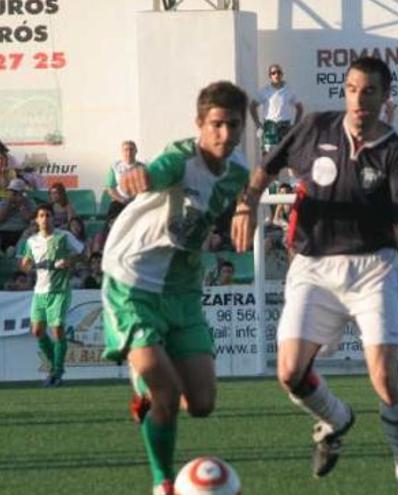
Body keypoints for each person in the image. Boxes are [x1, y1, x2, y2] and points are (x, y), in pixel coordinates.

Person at [231, 56, 398, 494]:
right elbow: (267, 165)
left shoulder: (395, 154)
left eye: (370, 92)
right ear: (345, 91)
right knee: (288, 372)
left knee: (384, 377)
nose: (360, 99)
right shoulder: (316, 129)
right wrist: (248, 201)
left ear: (384, 97)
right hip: (313, 266)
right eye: (353, 89)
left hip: (372, 268)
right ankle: (334, 419)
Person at [101, 81, 251, 495]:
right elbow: (156, 171)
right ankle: (162, 482)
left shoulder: (237, 169)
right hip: (132, 280)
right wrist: (138, 175)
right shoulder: (181, 159)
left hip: (183, 288)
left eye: (233, 125)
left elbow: (245, 186)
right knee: (165, 394)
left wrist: (245, 206)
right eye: (216, 125)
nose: (224, 134)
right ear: (199, 125)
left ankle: (149, 388)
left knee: (200, 404)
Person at [20, 204, 85, 387]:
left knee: (57, 330)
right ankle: (54, 368)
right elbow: (24, 263)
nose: (45, 218)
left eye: (48, 215)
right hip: (39, 292)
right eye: (41, 215)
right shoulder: (32, 241)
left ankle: (57, 372)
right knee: (37, 331)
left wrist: (68, 261)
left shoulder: (64, 236)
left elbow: (83, 253)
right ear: (36, 219)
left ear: (53, 218)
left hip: (60, 291)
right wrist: (28, 266)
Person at [250, 64, 303, 155]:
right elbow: (252, 106)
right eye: (273, 73)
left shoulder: (289, 90)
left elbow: (300, 108)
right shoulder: (265, 91)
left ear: (282, 74)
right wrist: (258, 123)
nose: (276, 75)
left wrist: (296, 124)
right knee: (267, 155)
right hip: (270, 126)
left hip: (285, 126)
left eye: (279, 72)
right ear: (270, 76)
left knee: (285, 154)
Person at [0, 178, 35, 256]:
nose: (13, 195)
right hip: (3, 230)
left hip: (20, 230)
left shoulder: (30, 202)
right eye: (11, 191)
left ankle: (15, 251)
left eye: (16, 192)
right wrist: (8, 203)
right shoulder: (1, 201)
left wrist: (21, 205)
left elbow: (28, 218)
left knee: (30, 231)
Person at [105, 140, 145, 220]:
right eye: (126, 150)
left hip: (137, 202)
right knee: (111, 222)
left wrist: (136, 199)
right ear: (122, 152)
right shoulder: (115, 167)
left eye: (131, 149)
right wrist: (121, 199)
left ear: (136, 151)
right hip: (119, 201)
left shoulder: (143, 167)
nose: (129, 152)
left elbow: (146, 187)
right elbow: (110, 188)